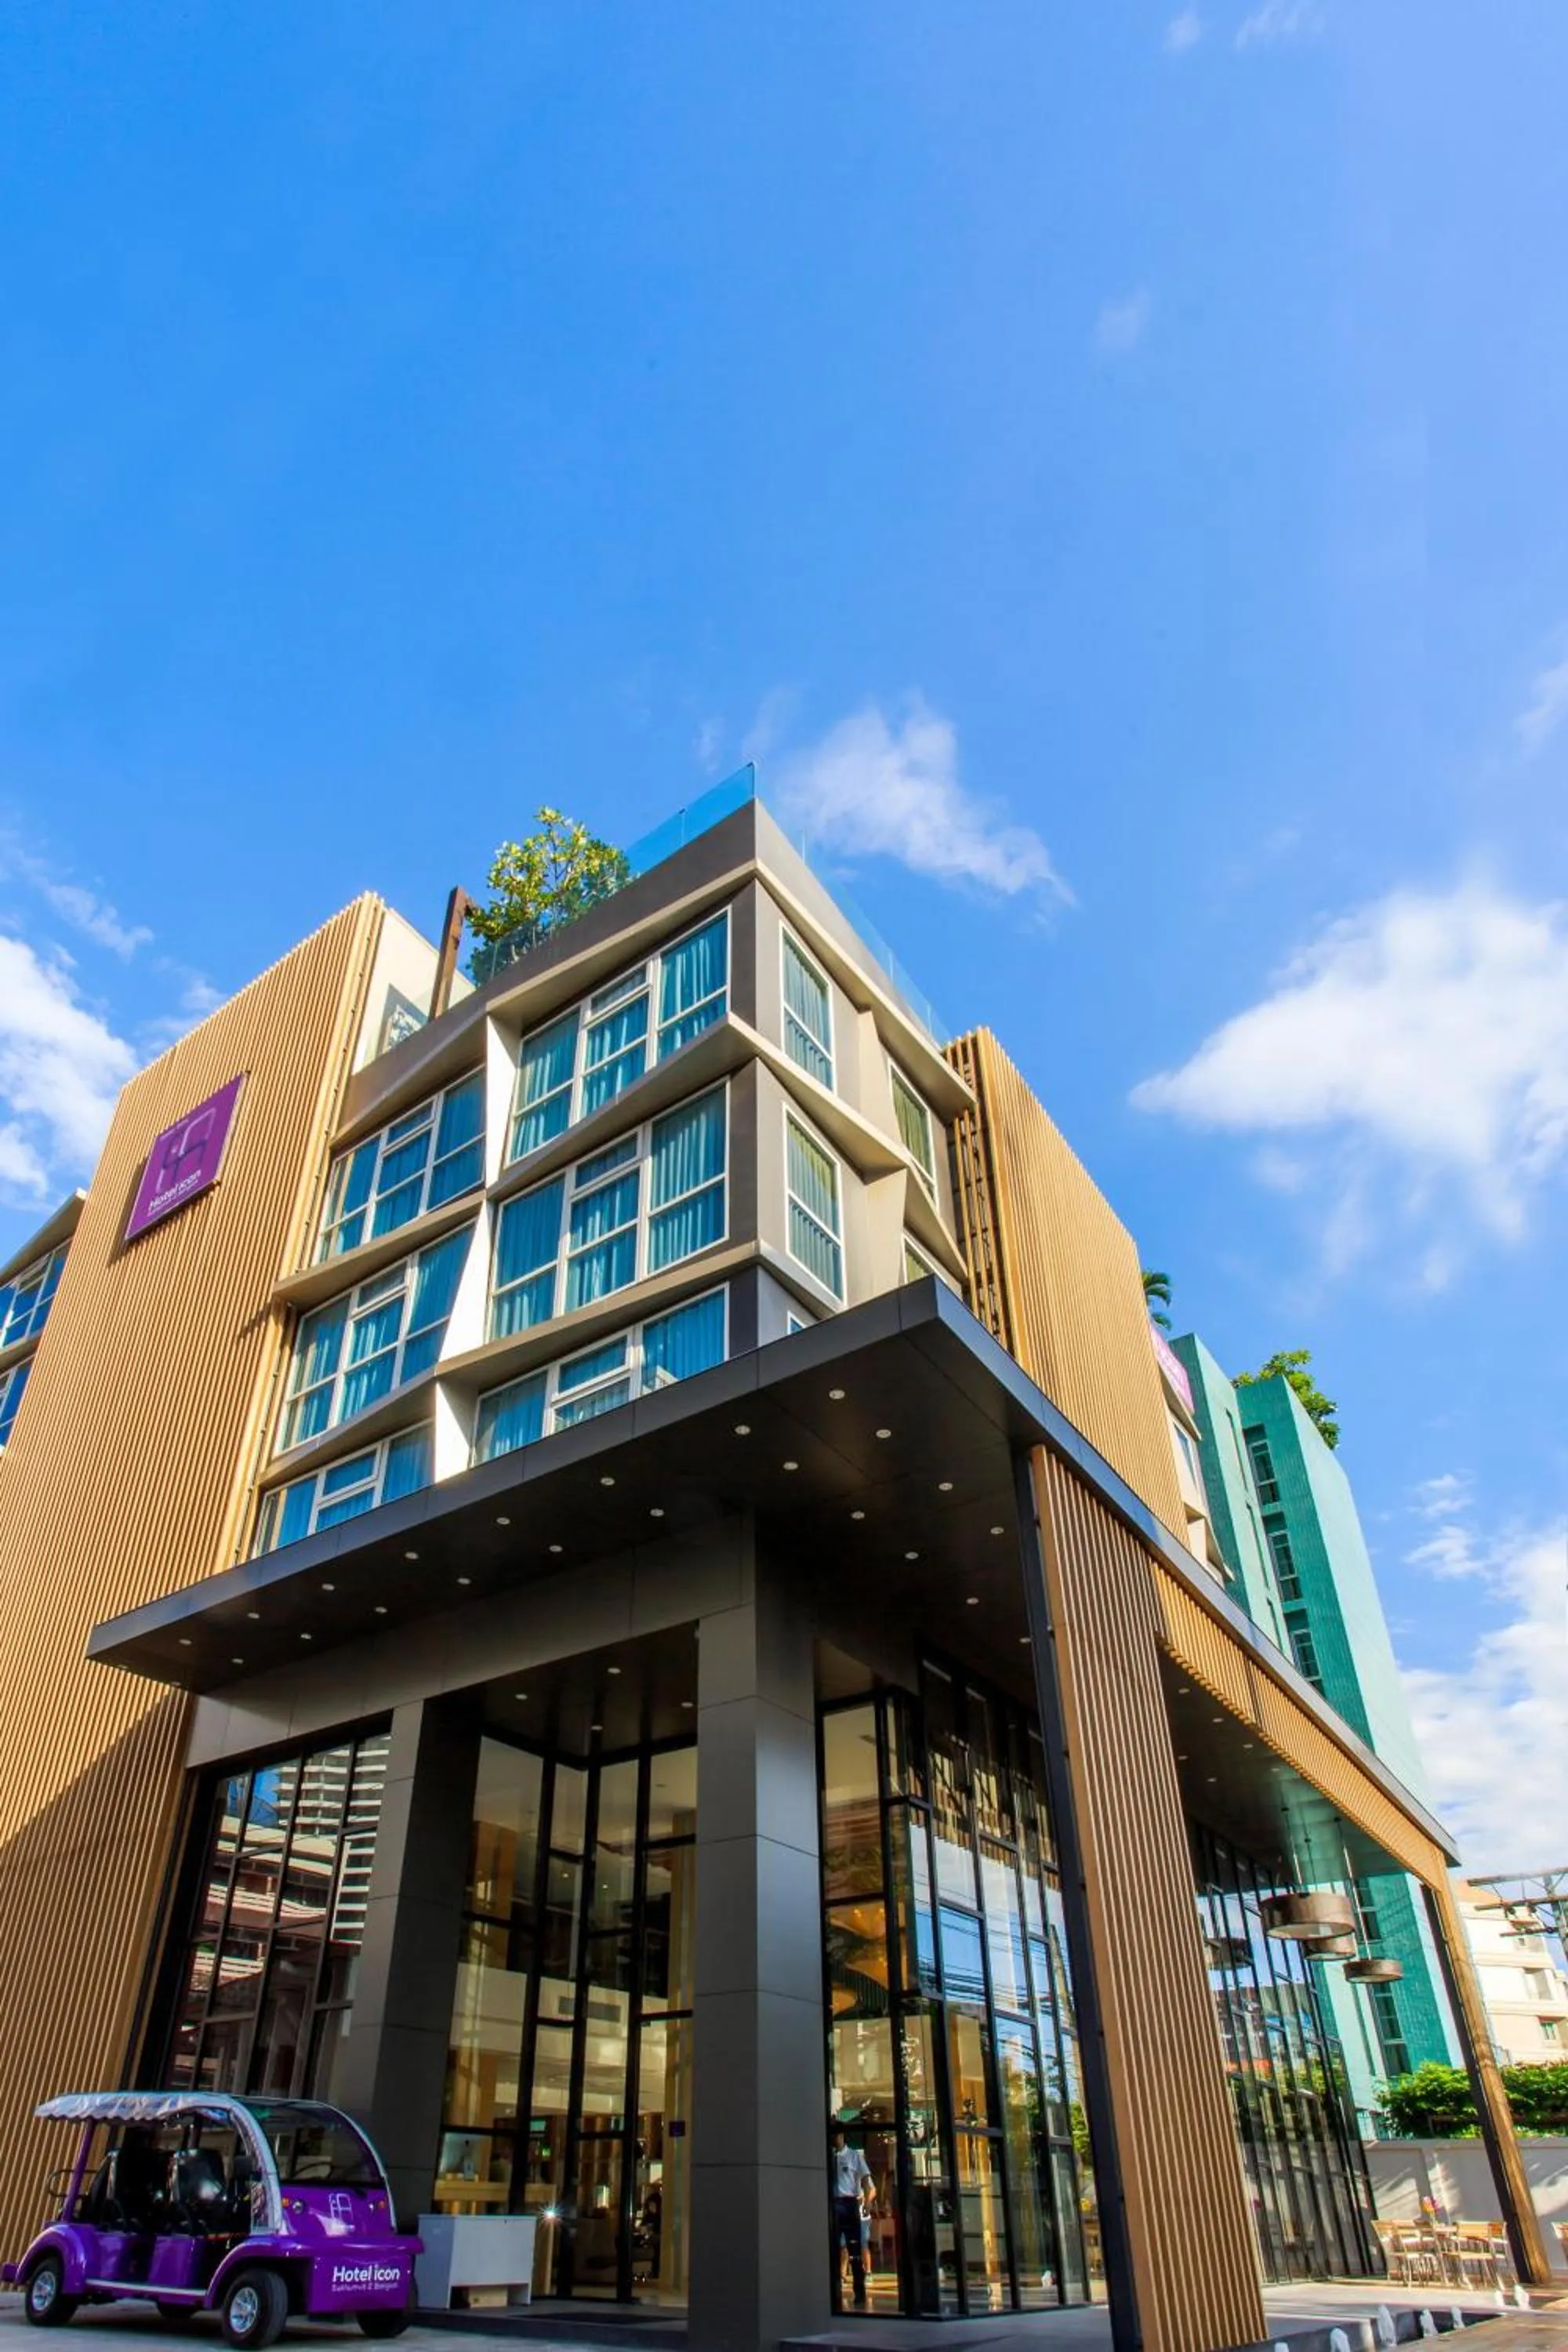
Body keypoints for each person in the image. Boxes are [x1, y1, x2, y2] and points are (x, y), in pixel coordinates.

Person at [829, 2129, 873, 2308]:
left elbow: (866, 2181)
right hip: (833, 2203)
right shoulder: (829, 2156)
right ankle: (834, 2291)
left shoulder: (854, 2156)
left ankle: (859, 2291)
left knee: (855, 2250)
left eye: (837, 2135)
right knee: (835, 2249)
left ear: (843, 2137)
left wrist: (868, 2201)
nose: (834, 2139)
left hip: (849, 2203)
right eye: (832, 2136)